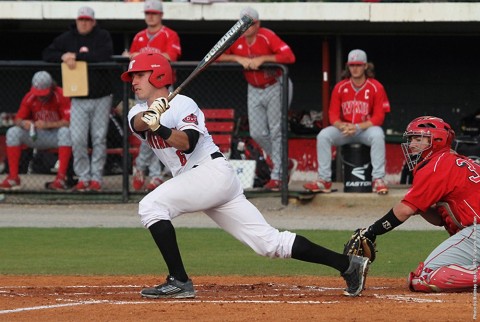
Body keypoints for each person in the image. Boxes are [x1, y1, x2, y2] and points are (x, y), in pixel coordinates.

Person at [120, 52, 370, 299]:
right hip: (200, 181)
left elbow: (188, 143)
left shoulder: (184, 104)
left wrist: (161, 127)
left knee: (151, 206)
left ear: (159, 75)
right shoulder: (137, 111)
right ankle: (349, 265)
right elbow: (138, 122)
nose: (134, 81)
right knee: (269, 243)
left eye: (140, 75)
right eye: (133, 76)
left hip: (210, 173)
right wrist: (151, 117)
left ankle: (179, 280)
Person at [351, 116, 480, 293]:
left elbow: (404, 210)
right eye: (411, 139)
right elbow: (439, 220)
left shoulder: (436, 165)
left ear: (436, 140)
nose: (412, 144)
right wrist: (419, 207)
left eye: (418, 139)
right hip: (475, 233)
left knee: (425, 276)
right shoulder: (454, 161)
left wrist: (372, 231)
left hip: (477, 232)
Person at [217, 7, 296, 191]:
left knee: (276, 130)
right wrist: (237, 58)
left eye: (250, 23)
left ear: (257, 24)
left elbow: (289, 56)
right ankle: (283, 163)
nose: (246, 27)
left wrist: (264, 58)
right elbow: (217, 54)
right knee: (257, 133)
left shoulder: (267, 36)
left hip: (276, 84)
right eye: (243, 23)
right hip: (254, 88)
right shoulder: (235, 38)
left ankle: (278, 174)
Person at [42, 6, 114, 192]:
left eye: (87, 20)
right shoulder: (67, 38)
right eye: (81, 19)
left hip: (101, 96)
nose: (84, 23)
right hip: (78, 98)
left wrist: (78, 56)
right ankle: (83, 178)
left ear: (93, 21)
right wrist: (63, 56)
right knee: (78, 139)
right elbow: (47, 54)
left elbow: (104, 55)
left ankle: (96, 179)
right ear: (76, 20)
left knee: (99, 138)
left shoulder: (102, 35)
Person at [303, 49, 391, 195]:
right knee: (324, 135)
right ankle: (324, 180)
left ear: (365, 66)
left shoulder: (376, 87)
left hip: (364, 130)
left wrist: (356, 127)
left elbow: (378, 118)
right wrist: (342, 125)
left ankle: (378, 179)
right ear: (347, 66)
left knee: (378, 135)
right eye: (352, 65)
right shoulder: (340, 87)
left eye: (358, 65)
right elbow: (333, 115)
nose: (355, 68)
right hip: (344, 130)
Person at [123, 0, 181, 192]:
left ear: (161, 15)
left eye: (154, 13)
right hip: (144, 87)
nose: (151, 16)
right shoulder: (139, 36)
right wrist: (140, 56)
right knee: (148, 128)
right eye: (148, 13)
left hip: (163, 86)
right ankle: (152, 172)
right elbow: (133, 60)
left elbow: (170, 57)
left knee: (161, 127)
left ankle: (148, 170)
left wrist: (142, 56)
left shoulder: (169, 34)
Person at [0, 71, 72, 191]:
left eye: (43, 93)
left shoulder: (61, 94)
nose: (41, 96)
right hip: (37, 135)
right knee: (13, 132)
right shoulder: (30, 96)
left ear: (51, 87)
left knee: (66, 132)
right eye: (38, 93)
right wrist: (24, 123)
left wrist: (48, 124)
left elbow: (69, 122)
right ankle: (13, 177)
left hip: (56, 135)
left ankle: (60, 179)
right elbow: (18, 119)